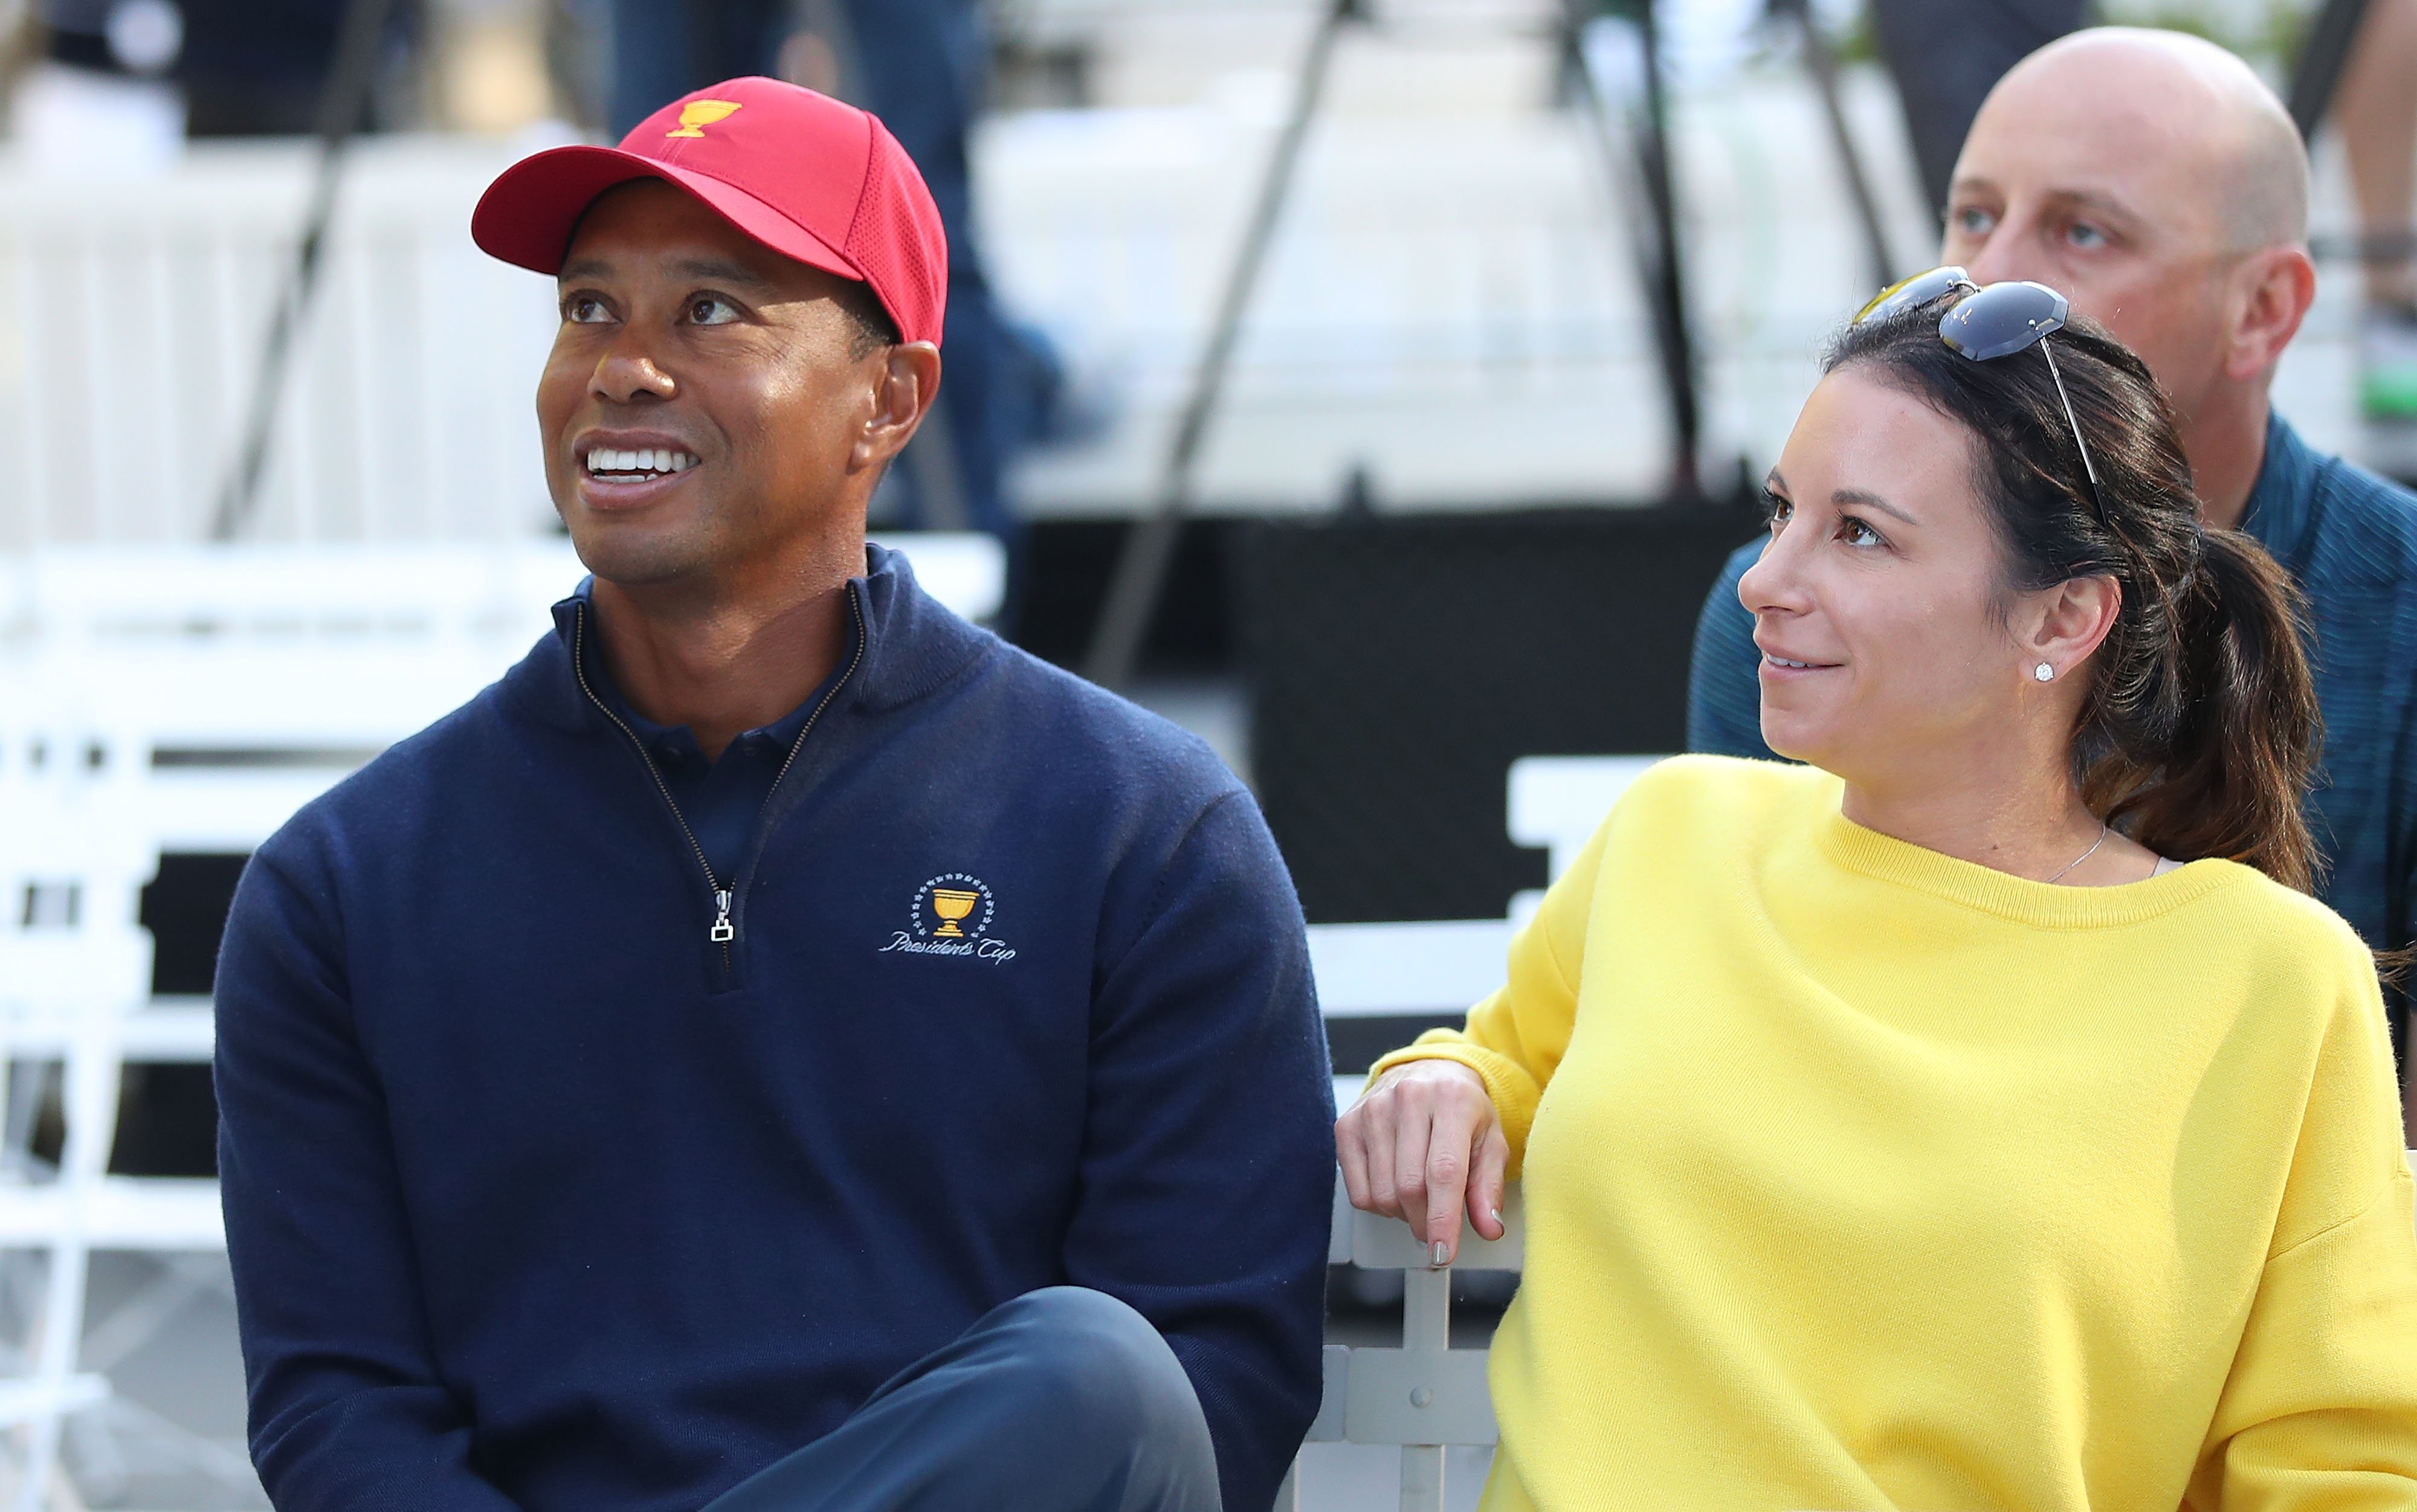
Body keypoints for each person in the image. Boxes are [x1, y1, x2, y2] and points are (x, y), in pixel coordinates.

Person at [212, 77, 1333, 1512]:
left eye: (710, 311)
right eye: (587, 308)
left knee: (1096, 1377)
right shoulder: (342, 891)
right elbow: (338, 1406)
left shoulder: (1142, 834)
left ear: (891, 399)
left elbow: (1204, 1397)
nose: (620, 367)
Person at [1344, 277, 2417, 1505]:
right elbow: (1504, 1061)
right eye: (1781, 512)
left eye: (1856, 532)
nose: (1761, 579)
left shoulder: (2264, 980)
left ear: (2063, 616)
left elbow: (2340, 1465)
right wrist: (1436, 1080)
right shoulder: (1670, 834)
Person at [1689, 28, 2417, 1132]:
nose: (1993, 274)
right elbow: (1754, 1043)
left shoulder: (2399, 597)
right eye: (1973, 216)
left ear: (2264, 310)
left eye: (2083, 230)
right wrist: (1458, 1071)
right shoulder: (1786, 601)